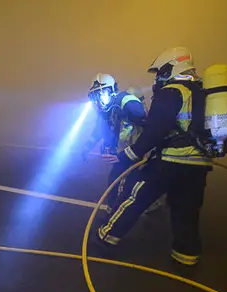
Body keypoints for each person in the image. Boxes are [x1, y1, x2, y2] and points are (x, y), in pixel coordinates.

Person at [92, 47, 211, 266]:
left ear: (171, 68)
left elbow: (153, 132)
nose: (158, 78)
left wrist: (127, 155)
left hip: (170, 161)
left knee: (135, 198)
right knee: (186, 212)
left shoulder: (171, 92)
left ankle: (105, 238)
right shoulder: (202, 92)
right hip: (198, 164)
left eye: (160, 71)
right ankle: (185, 259)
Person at [82, 73, 148, 214]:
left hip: (132, 155)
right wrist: (87, 147)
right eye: (96, 95)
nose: (100, 99)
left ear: (112, 90)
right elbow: (99, 130)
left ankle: (113, 215)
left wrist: (142, 149)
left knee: (119, 187)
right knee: (122, 184)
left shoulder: (124, 101)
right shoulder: (105, 111)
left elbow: (145, 121)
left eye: (102, 93)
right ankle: (116, 211)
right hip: (122, 155)